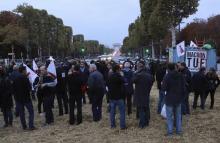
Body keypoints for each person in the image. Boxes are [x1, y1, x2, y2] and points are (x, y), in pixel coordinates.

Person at [162, 63, 186, 136]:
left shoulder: (167, 76)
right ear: (175, 67)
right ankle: (178, 131)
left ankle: (170, 132)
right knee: (178, 116)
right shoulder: (180, 75)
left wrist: (162, 84)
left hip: (169, 99)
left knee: (169, 117)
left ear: (168, 68)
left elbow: (164, 88)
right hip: (178, 98)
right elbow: (183, 87)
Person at [13, 66, 36, 130]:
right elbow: (29, 88)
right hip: (26, 98)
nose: (26, 71)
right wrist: (30, 84)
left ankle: (24, 126)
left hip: (18, 99)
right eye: (25, 70)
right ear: (23, 71)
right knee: (31, 112)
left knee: (21, 113)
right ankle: (31, 126)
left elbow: (13, 90)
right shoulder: (25, 78)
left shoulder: (15, 78)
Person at [133, 61, 154, 128]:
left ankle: (142, 124)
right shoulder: (149, 75)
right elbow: (152, 81)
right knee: (146, 108)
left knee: (141, 109)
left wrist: (135, 73)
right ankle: (147, 122)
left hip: (139, 93)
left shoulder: (138, 75)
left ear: (139, 67)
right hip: (146, 93)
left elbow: (132, 80)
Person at [108, 64, 126, 129]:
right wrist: (122, 75)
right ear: (118, 69)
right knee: (122, 112)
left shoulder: (110, 76)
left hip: (112, 96)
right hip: (119, 96)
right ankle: (122, 126)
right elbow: (125, 81)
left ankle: (112, 125)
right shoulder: (119, 76)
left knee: (112, 112)